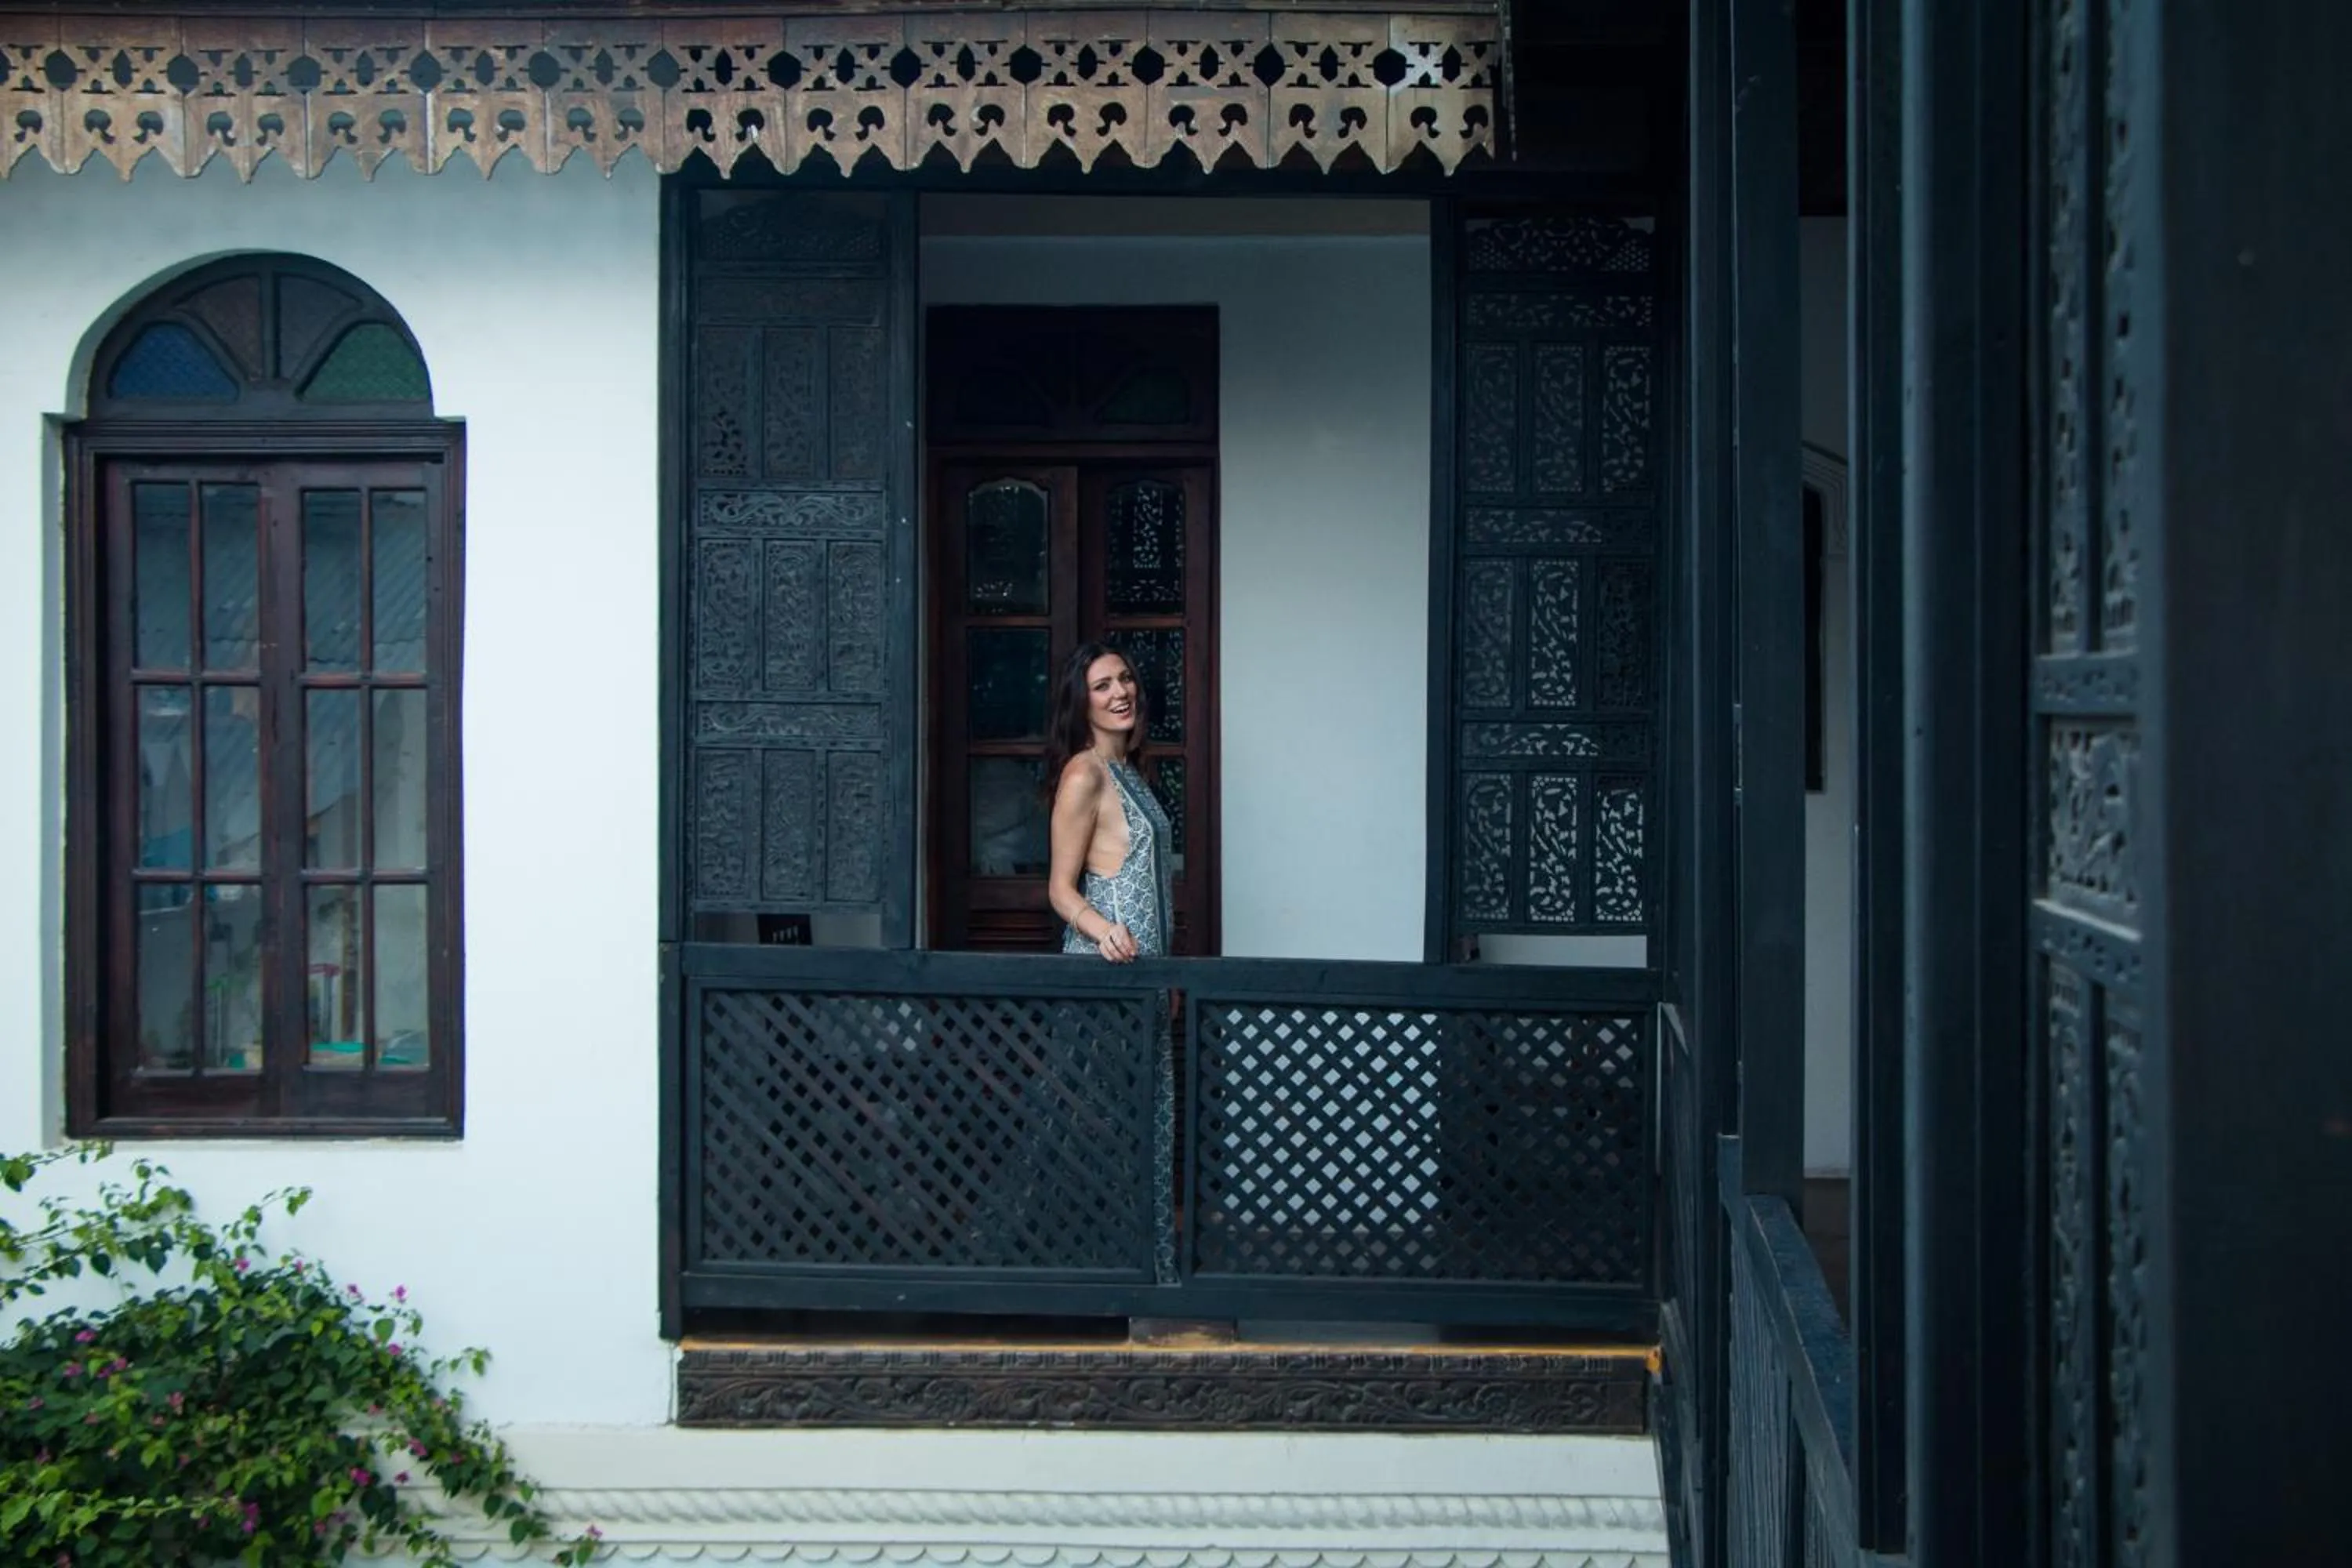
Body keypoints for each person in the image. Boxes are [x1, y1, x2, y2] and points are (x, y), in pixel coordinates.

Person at [1042, 642, 1176, 1282]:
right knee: (1087, 1127)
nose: (1120, 692)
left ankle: (1137, 1270)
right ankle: (1072, 1272)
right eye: (1102, 685)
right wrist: (1106, 933)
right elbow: (1060, 889)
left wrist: (1165, 971)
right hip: (1105, 978)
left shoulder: (1132, 774)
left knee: (1140, 1126)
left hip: (1146, 980)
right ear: (1082, 701)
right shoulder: (1084, 774)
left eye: (1125, 679)